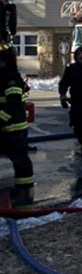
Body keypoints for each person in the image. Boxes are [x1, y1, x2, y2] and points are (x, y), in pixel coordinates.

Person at [0, 42, 33, 206]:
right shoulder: (4, 75)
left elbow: (12, 103)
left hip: (14, 128)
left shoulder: (11, 77)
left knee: (20, 160)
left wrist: (1, 119)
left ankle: (24, 191)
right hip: (6, 127)